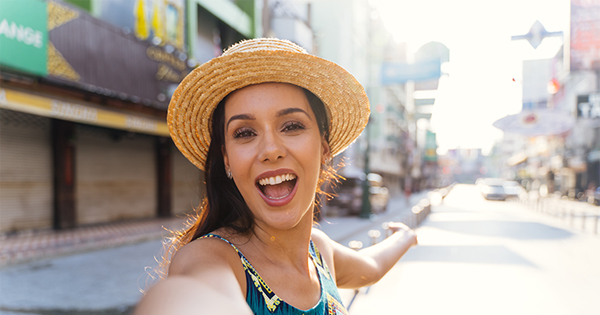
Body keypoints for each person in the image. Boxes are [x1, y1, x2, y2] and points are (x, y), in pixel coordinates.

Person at [134, 38, 417, 315]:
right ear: (227, 160)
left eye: (291, 126)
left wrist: (404, 237)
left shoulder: (319, 251)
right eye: (245, 133)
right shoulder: (211, 259)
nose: (270, 150)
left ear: (324, 149)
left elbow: (371, 267)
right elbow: (183, 298)